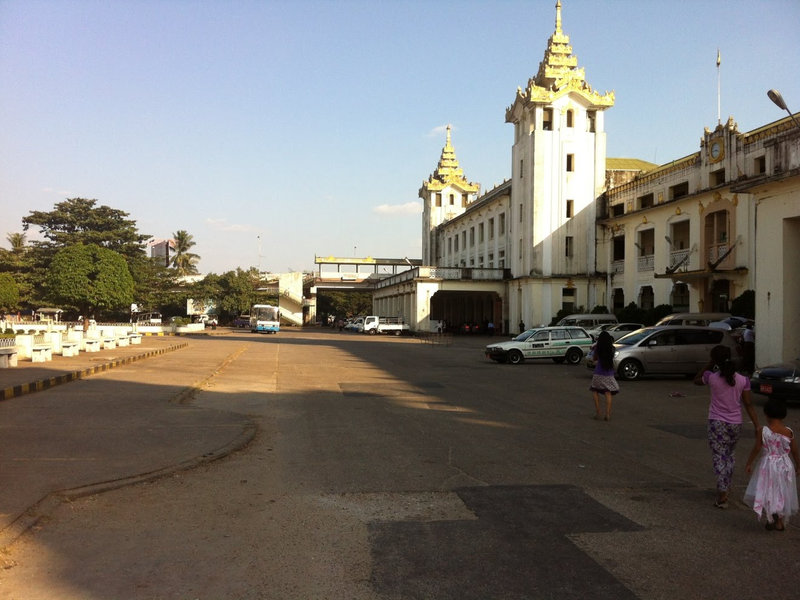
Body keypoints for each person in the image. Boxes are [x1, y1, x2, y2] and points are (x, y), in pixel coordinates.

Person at [694, 344, 759, 508]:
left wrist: (709, 364)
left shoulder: (711, 377)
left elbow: (696, 380)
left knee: (719, 455)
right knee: (729, 455)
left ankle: (723, 492)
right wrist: (757, 425)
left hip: (717, 422)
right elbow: (748, 404)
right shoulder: (743, 380)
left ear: (715, 360)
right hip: (735, 423)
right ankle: (726, 484)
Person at [743, 398, 799, 531]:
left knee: (768, 490)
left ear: (766, 414)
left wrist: (749, 463)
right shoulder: (789, 431)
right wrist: (798, 465)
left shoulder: (763, 430)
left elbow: (757, 448)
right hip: (784, 465)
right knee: (782, 491)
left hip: (768, 466)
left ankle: (771, 516)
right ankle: (779, 521)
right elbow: (795, 451)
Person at [589, 331, 619, 421]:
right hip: (609, 373)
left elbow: (594, 359)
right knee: (608, 392)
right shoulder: (612, 348)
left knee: (594, 390)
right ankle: (607, 414)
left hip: (598, 372)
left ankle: (598, 412)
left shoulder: (597, 348)